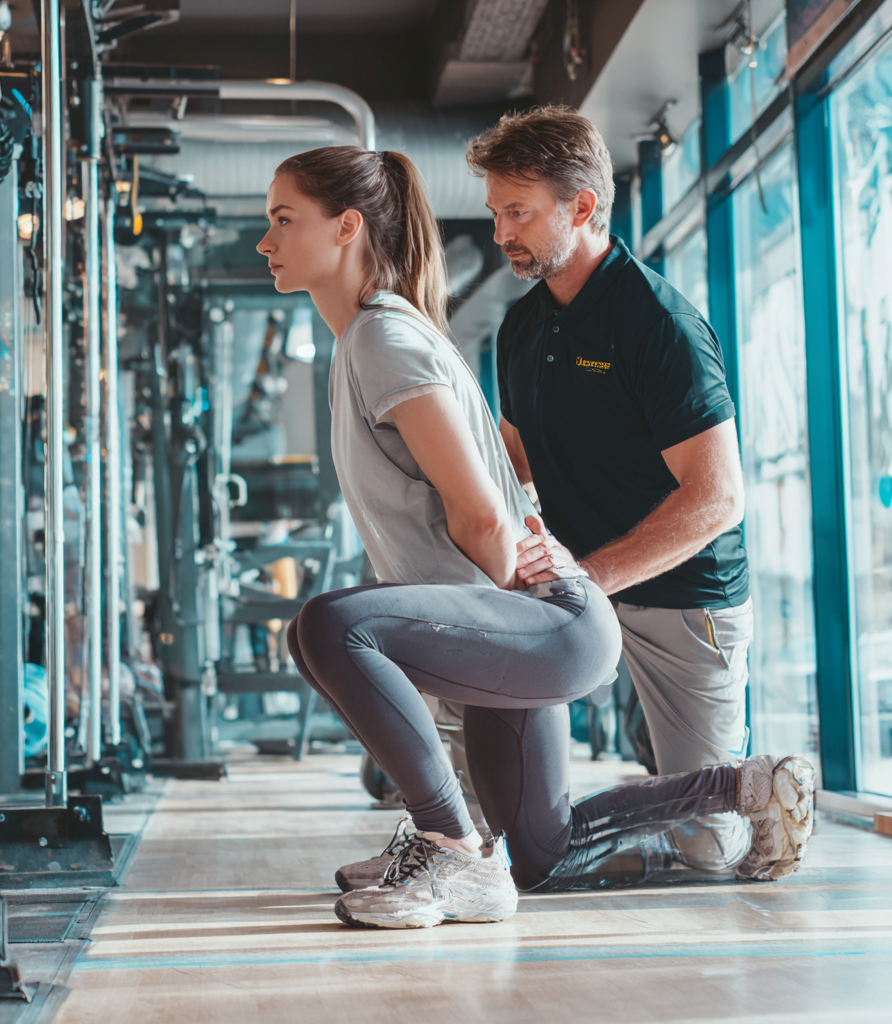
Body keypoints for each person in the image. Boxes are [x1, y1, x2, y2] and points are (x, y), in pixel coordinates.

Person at [256, 145, 815, 930]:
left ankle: (450, 849)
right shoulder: (394, 337)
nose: (265, 240)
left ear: (347, 228)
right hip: (532, 615)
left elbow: (483, 514)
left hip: (571, 610)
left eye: (283, 220)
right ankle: (743, 787)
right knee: (542, 854)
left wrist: (541, 613)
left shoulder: (385, 338)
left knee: (329, 626)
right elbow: (505, 470)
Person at [466, 104, 770, 875]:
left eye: (518, 212)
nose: (501, 233)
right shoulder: (522, 329)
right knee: (501, 804)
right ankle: (510, 842)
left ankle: (747, 795)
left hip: (681, 595)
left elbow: (718, 497)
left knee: (710, 847)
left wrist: (588, 577)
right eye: (497, 213)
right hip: (579, 587)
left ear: (582, 207)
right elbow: (516, 458)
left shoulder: (659, 323)